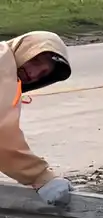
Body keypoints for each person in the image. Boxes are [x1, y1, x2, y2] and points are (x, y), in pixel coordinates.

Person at [1, 32, 74, 206]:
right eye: (34, 61)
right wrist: (40, 177)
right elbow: (2, 134)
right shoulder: (3, 67)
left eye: (42, 74)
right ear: (23, 48)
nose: (33, 74)